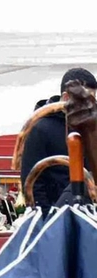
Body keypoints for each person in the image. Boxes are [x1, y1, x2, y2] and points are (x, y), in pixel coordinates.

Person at [20, 68, 97, 211]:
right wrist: (47, 219)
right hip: (55, 217)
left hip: (88, 216)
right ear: (66, 98)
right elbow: (32, 182)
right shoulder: (40, 129)